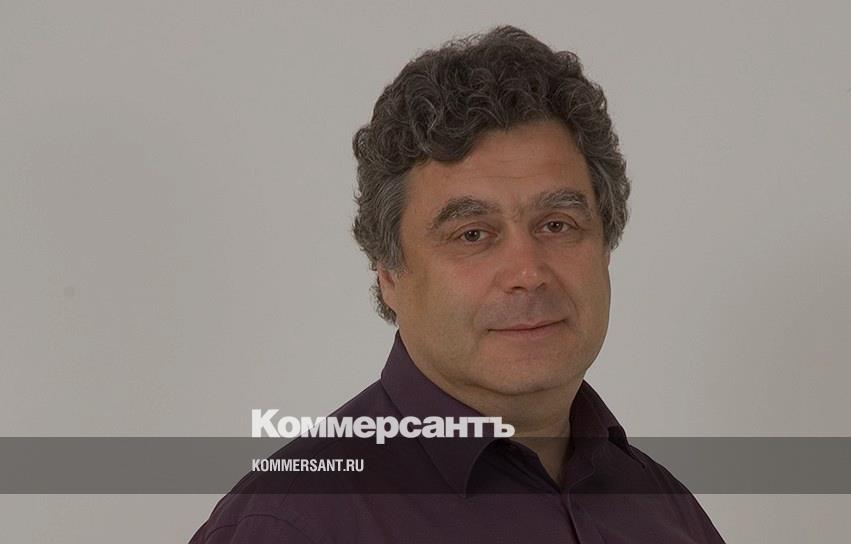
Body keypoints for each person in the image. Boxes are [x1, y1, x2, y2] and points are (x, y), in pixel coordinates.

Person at [190, 25, 725, 543]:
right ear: (389, 273)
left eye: (557, 225)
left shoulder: (665, 510)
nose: (528, 273)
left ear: (605, 248)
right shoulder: (294, 524)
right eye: (472, 234)